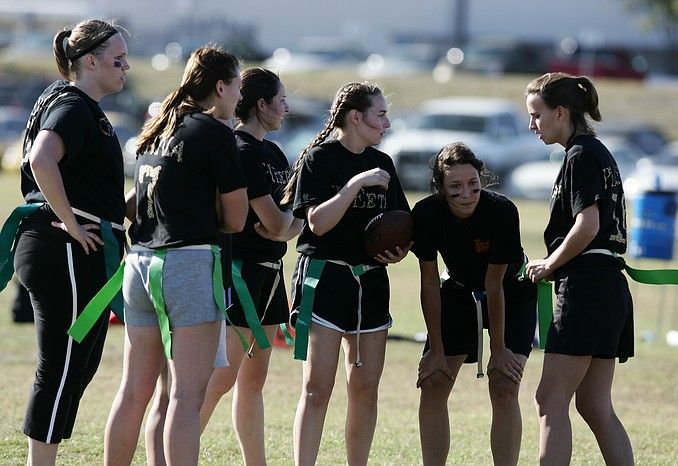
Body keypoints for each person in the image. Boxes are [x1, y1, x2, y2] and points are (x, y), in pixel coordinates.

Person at [103, 45, 248, 466]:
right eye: (237, 86)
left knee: (134, 390)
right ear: (219, 86)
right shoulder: (215, 132)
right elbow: (236, 220)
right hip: (188, 264)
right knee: (186, 397)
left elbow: (134, 205)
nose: (239, 97)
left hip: (140, 264)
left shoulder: (160, 126)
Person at [3, 19, 130, 465]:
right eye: (118, 59)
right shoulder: (73, 105)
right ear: (89, 60)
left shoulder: (79, 105)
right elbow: (40, 160)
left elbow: (97, 192)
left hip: (75, 246)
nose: (126, 67)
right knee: (60, 366)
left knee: (77, 364)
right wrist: (72, 225)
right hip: (66, 247)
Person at [282, 81, 411, 466]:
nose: (387, 123)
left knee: (366, 388)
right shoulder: (319, 159)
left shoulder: (384, 163)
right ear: (356, 117)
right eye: (381, 114)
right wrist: (355, 185)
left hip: (370, 280)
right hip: (325, 278)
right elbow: (317, 223)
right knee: (317, 388)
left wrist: (399, 248)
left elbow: (399, 222)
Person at [524, 72, 634, 465]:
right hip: (610, 289)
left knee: (549, 399)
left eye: (536, 115)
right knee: (594, 404)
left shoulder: (580, 155)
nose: (531, 124)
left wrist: (549, 264)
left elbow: (587, 225)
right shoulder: (598, 151)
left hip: (586, 290)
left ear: (560, 112)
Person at [198, 67, 304, 464]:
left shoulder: (274, 152)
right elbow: (277, 223)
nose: (286, 107)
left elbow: (281, 224)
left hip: (270, 274)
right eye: (280, 100)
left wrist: (286, 224)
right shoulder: (240, 150)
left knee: (254, 380)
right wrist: (290, 222)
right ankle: (178, 451)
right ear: (261, 105)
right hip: (240, 273)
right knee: (219, 379)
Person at [411, 142, 536, 466]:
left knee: (504, 382)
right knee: (434, 383)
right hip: (458, 290)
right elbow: (428, 282)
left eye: (473, 185)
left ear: (482, 180)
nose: (466, 194)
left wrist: (499, 348)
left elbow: (494, 284)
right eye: (455, 187)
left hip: (510, 292)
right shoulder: (425, 214)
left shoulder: (502, 211)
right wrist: (436, 350)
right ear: (440, 188)